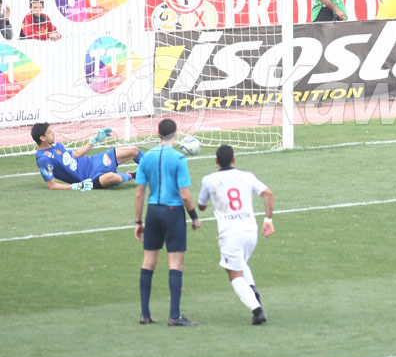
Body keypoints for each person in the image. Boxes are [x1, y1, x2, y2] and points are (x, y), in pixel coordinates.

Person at [134, 118, 202, 326]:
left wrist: (138, 221)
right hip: (173, 213)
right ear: (176, 133)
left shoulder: (147, 158)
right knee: (175, 263)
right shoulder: (179, 159)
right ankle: (174, 316)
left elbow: (139, 194)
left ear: (158, 133)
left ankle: (145, 314)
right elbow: (186, 195)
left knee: (148, 262)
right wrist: (194, 217)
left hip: (153, 212)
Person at [198, 145, 275, 325]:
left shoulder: (209, 180)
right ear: (234, 159)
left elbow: (201, 205)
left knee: (234, 274)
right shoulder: (247, 176)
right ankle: (252, 290)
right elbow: (268, 193)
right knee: (240, 263)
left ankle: (257, 310)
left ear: (216, 161)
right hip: (250, 231)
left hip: (230, 233)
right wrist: (268, 220)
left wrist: (208, 203)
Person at [31, 122, 142, 191]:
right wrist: (76, 186)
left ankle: (154, 170)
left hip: (92, 162)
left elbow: (77, 154)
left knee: (133, 150)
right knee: (114, 178)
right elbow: (51, 185)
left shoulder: (56, 145)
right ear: (42, 138)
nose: (53, 133)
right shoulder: (43, 159)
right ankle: (134, 175)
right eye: (49, 132)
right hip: (88, 178)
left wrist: (94, 140)